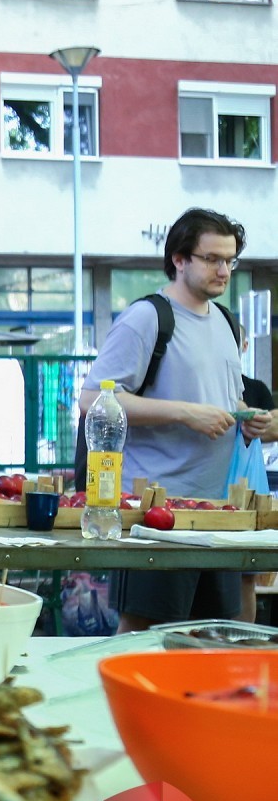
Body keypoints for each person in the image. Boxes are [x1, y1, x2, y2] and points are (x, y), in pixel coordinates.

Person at [81, 208, 270, 631]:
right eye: (212, 259)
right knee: (144, 637)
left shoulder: (225, 321)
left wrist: (248, 418)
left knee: (214, 637)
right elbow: (92, 399)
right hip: (156, 515)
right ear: (179, 259)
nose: (224, 271)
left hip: (217, 513)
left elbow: (225, 399)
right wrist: (184, 413)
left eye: (230, 260)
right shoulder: (147, 317)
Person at [238, 325, 274, 623]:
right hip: (206, 488)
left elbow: (271, 426)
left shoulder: (255, 389)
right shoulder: (200, 389)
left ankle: (241, 643)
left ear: (244, 346)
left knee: (245, 575)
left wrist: (252, 423)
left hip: (247, 490)